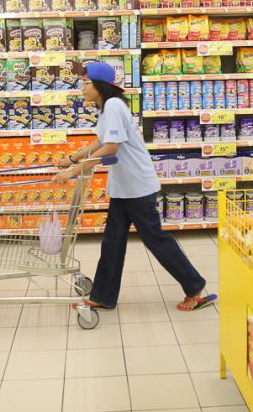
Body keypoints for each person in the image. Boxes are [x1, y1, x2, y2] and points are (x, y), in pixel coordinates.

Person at [54, 62, 216, 311]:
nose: (82, 89)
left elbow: (111, 148)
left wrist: (73, 172)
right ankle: (103, 296)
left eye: (86, 84)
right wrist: (74, 157)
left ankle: (194, 287)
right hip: (123, 187)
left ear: (100, 86)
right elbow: (101, 140)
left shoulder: (114, 106)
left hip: (138, 188)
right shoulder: (107, 108)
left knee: (156, 240)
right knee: (113, 241)